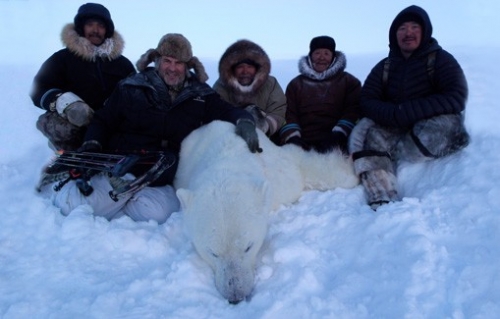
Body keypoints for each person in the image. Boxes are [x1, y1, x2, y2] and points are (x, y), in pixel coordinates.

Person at [40, 33, 261, 224]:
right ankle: (74, 189)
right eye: (167, 61)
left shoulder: (200, 94)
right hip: (122, 165)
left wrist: (244, 121)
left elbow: (227, 111)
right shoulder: (131, 86)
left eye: (179, 63)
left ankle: (115, 204)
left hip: (161, 174)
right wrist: (92, 143)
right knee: (75, 206)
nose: (172, 68)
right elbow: (103, 120)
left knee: (158, 214)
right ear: (157, 60)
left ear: (188, 66)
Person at [349, 5, 469, 210]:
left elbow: (456, 96)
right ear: (394, 35)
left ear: (424, 31)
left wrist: (409, 111)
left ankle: (405, 153)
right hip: (395, 125)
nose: (408, 33)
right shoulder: (384, 66)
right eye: (402, 28)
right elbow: (367, 99)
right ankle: (382, 197)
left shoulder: (441, 60)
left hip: (430, 124)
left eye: (414, 27)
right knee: (372, 136)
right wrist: (393, 114)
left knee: (445, 125)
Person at [30, 3, 136, 151]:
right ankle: (68, 155)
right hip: (77, 123)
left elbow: (137, 93)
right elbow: (38, 89)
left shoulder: (123, 64)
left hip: (112, 123)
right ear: (81, 28)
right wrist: (66, 103)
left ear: (107, 30)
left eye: (100, 25)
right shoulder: (62, 58)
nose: (95, 30)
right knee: (56, 125)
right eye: (90, 24)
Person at [279, 35, 361, 153]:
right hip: (302, 141)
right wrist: (293, 137)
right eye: (317, 53)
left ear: (333, 57)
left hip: (338, 140)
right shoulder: (296, 84)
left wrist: (339, 133)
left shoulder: (349, 82)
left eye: (326, 53)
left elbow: (353, 110)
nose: (321, 57)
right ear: (310, 56)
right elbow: (288, 113)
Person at [213, 39, 286, 142]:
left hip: (268, 139)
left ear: (257, 68)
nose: (245, 71)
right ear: (232, 68)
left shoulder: (271, 83)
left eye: (249, 66)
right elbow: (216, 112)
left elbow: (278, 111)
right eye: (240, 67)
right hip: (232, 138)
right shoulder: (221, 86)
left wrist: (264, 126)